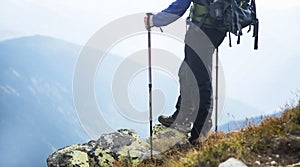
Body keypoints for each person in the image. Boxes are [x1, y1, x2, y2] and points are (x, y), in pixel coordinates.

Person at [144, 0, 226, 144]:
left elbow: (179, 7)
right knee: (187, 71)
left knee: (201, 78)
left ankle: (200, 129)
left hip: (202, 30)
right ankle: (183, 117)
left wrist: (154, 20)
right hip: (216, 29)